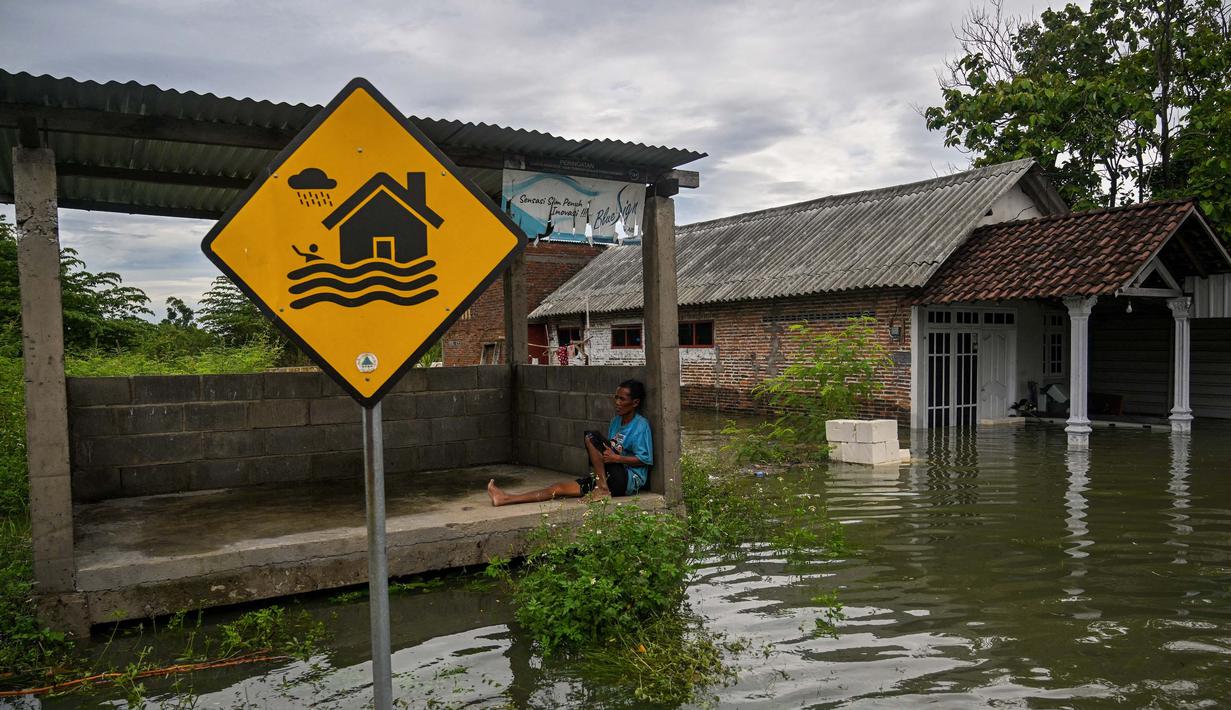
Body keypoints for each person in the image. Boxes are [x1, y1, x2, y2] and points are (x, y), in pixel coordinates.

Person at [487, 379, 653, 505]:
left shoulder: (640, 425)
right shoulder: (616, 422)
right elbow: (608, 451)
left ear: (635, 402)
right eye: (616, 398)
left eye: (622, 399)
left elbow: (645, 460)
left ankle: (602, 488)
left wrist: (617, 459)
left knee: (591, 436)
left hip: (628, 480)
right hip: (610, 477)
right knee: (558, 488)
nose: (617, 403)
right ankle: (505, 498)